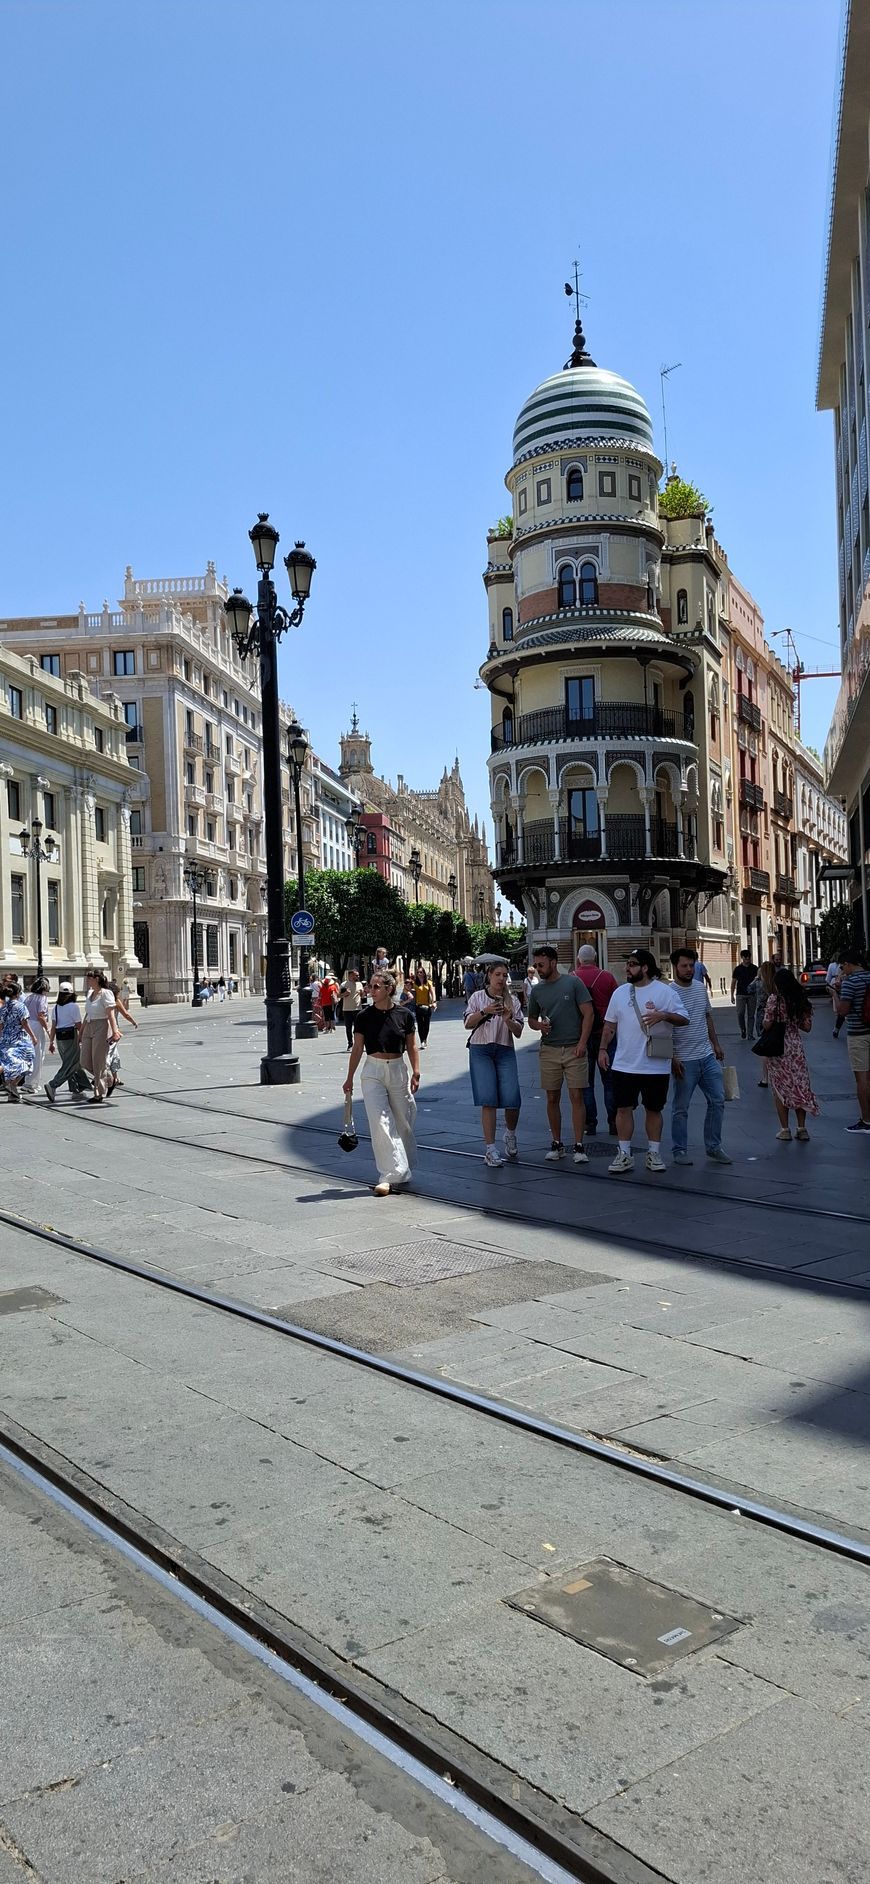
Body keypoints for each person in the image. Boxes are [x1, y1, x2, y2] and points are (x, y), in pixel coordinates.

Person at [598, 949, 689, 1174]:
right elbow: (610, 1025)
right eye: (627, 964)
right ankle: (624, 1154)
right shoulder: (620, 993)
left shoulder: (664, 992)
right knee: (623, 1109)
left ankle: (654, 1153)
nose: (627, 968)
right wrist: (602, 1049)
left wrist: (663, 1015)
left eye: (632, 964)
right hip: (624, 1064)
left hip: (655, 1065)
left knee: (654, 1109)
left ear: (645, 967)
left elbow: (684, 1018)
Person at [343, 969, 420, 1195]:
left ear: (389, 989)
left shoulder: (405, 1015)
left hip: (397, 1069)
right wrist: (349, 1078)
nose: (371, 990)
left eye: (376, 986)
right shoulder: (363, 1016)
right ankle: (389, 1174)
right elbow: (357, 1048)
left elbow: (411, 1046)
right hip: (372, 1072)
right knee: (380, 1122)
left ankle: (403, 1164)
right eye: (370, 986)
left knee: (403, 1121)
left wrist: (416, 1071)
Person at [526, 944, 595, 1163]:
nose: (538, 969)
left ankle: (579, 1146)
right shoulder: (537, 990)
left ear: (553, 963)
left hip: (574, 1048)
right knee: (551, 1097)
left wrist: (582, 1043)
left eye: (541, 964)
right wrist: (539, 1026)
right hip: (549, 1049)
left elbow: (589, 1013)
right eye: (536, 965)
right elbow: (531, 1019)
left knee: (577, 1096)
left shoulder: (573, 983)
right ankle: (556, 1143)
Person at [669, 947, 730, 1165]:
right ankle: (679, 1150)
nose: (688, 969)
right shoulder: (669, 992)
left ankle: (713, 1147)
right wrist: (673, 1057)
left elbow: (707, 1017)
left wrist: (716, 1044)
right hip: (684, 1059)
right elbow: (665, 1029)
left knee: (718, 1100)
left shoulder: (699, 988)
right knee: (681, 1108)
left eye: (691, 965)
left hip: (706, 1055)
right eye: (684, 965)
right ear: (675, 967)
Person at [464, 962, 524, 1166]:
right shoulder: (477, 997)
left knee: (512, 1099)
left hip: (504, 1049)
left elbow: (518, 1031)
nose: (501, 978)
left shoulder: (512, 1000)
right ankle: (490, 1149)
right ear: (489, 975)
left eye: (505, 975)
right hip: (481, 1049)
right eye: (497, 974)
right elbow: (467, 1023)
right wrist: (486, 1011)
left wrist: (508, 1019)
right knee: (488, 1099)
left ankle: (510, 1134)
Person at [761, 966, 818, 1140]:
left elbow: (767, 1025)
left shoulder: (774, 999)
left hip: (778, 1048)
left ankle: (785, 1129)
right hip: (795, 1047)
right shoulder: (800, 999)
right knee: (799, 1085)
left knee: (780, 1087)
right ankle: (802, 1128)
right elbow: (807, 1027)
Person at [574, 945, 618, 1135]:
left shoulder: (572, 978)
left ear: (578, 959)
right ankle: (614, 1122)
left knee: (586, 1083)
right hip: (606, 1034)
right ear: (596, 957)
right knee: (610, 1082)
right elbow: (617, 1004)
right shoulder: (607, 977)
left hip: (582, 1036)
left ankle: (590, 1124)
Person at [835, 948, 870, 1132]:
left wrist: (835, 992)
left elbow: (842, 1011)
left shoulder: (850, 982)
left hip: (858, 1034)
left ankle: (866, 1120)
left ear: (848, 964)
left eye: (842, 967)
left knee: (862, 1079)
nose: (842, 970)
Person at [80, 968, 121, 1103]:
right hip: (89, 1025)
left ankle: (99, 1094)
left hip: (101, 1026)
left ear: (96, 979)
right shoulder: (90, 993)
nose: (87, 980)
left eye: (89, 978)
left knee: (98, 1061)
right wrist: (81, 1031)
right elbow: (87, 1013)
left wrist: (115, 1031)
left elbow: (111, 1015)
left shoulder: (106, 993)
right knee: (85, 1061)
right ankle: (109, 1078)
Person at [45, 983, 91, 1102]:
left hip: (60, 1038)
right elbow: (78, 1024)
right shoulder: (73, 1007)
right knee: (71, 1063)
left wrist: (51, 1042)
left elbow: (53, 1026)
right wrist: (83, 1037)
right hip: (71, 1036)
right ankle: (53, 1084)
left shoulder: (56, 1007)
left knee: (71, 1062)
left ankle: (78, 1087)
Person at [0, 978, 39, 1102]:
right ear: (18, 993)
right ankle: (12, 1084)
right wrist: (33, 1036)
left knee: (9, 1063)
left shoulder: (3, 1007)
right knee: (28, 1060)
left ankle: (12, 1092)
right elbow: (24, 1023)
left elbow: (0, 1025)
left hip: (6, 1038)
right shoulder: (21, 1006)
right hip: (19, 1038)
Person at [106, 979, 139, 1095]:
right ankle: (115, 1078)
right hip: (113, 1031)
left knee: (108, 1054)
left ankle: (107, 1077)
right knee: (113, 1054)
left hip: (108, 1031)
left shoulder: (108, 1001)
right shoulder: (115, 1001)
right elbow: (126, 1014)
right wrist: (133, 1022)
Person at [751, 960, 778, 1087]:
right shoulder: (776, 984)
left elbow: (748, 989)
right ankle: (775, 1075)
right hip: (776, 1017)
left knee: (765, 1048)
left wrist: (756, 978)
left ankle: (765, 1078)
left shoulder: (759, 983)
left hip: (763, 1016)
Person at [22, 976, 50, 1093]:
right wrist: (47, 1029)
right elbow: (41, 1015)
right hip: (37, 1026)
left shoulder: (29, 997)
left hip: (27, 1025)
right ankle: (31, 1083)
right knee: (38, 1054)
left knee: (29, 1054)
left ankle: (28, 1080)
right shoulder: (42, 998)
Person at [731, 950, 758, 1040]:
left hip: (752, 995)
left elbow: (758, 980)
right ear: (742, 958)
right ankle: (743, 1029)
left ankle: (750, 1034)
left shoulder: (755, 968)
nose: (747, 960)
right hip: (740, 994)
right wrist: (732, 995)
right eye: (745, 958)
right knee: (740, 1013)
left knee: (751, 1015)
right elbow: (733, 982)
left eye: (748, 958)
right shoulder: (738, 969)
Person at [339, 969, 363, 1049]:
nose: (358, 976)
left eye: (358, 975)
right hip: (347, 1009)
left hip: (357, 1009)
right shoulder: (344, 984)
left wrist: (362, 993)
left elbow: (362, 996)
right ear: (350, 975)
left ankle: (358, 1043)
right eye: (356, 975)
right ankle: (350, 1043)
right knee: (348, 1028)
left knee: (358, 1028)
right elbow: (338, 995)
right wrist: (345, 994)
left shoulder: (359, 984)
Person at [413, 966, 436, 1048]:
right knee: (420, 1025)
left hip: (427, 1006)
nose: (419, 974)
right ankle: (422, 1041)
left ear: (424, 973)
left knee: (426, 1024)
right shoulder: (414, 983)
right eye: (418, 972)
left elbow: (433, 992)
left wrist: (434, 1002)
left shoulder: (428, 982)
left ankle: (425, 1039)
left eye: (421, 972)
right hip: (418, 1006)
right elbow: (407, 990)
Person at [827, 958, 844, 1037]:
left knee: (841, 1011)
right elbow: (837, 978)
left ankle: (837, 1029)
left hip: (843, 990)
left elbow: (831, 978)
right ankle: (837, 1028)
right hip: (841, 990)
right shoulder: (841, 968)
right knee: (841, 1012)